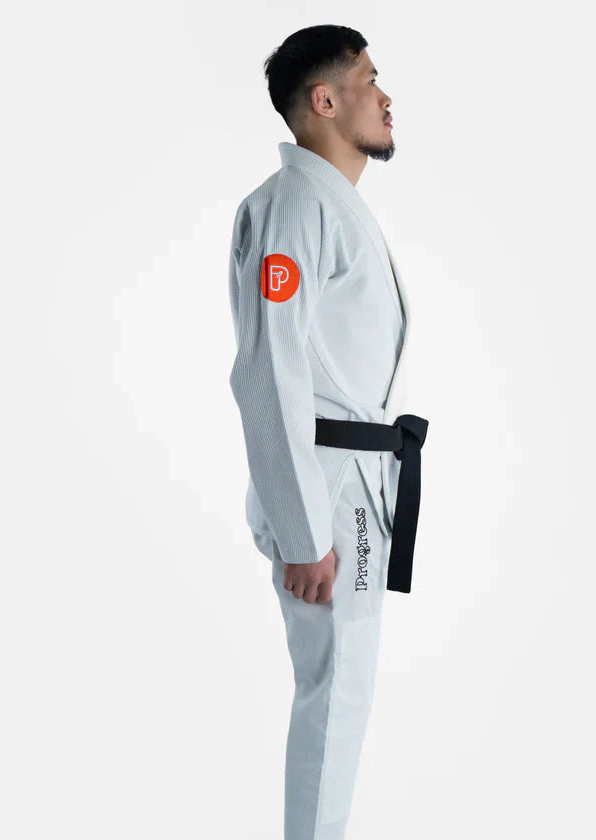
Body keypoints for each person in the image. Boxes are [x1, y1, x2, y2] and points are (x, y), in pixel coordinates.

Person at [227, 24, 429, 840]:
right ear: (325, 100)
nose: (386, 96)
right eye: (370, 80)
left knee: (344, 694)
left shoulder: (326, 206)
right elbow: (266, 369)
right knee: (336, 694)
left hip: (351, 483)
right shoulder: (295, 207)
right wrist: (304, 530)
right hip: (327, 494)